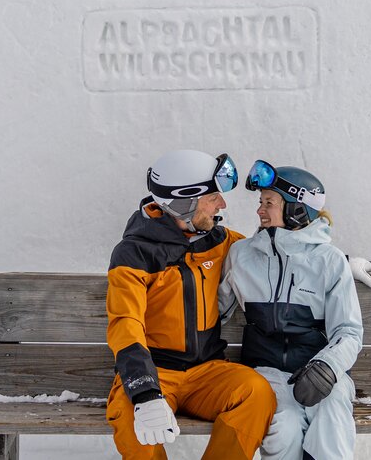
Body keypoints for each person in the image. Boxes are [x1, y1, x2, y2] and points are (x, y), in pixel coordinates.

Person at [105, 149, 275, 459]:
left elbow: (275, 257)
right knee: (132, 420)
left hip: (206, 373)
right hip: (156, 372)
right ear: (184, 204)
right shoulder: (134, 254)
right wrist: (145, 392)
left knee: (256, 392)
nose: (222, 205)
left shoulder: (220, 241)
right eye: (213, 197)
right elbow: (125, 323)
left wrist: (340, 265)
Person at [219, 160, 365, 460]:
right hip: (267, 372)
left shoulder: (330, 261)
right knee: (283, 427)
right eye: (260, 202)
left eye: (269, 203)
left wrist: (327, 367)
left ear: (297, 210)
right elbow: (214, 312)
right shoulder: (242, 255)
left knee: (332, 413)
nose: (260, 211)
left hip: (321, 370)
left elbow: (349, 331)